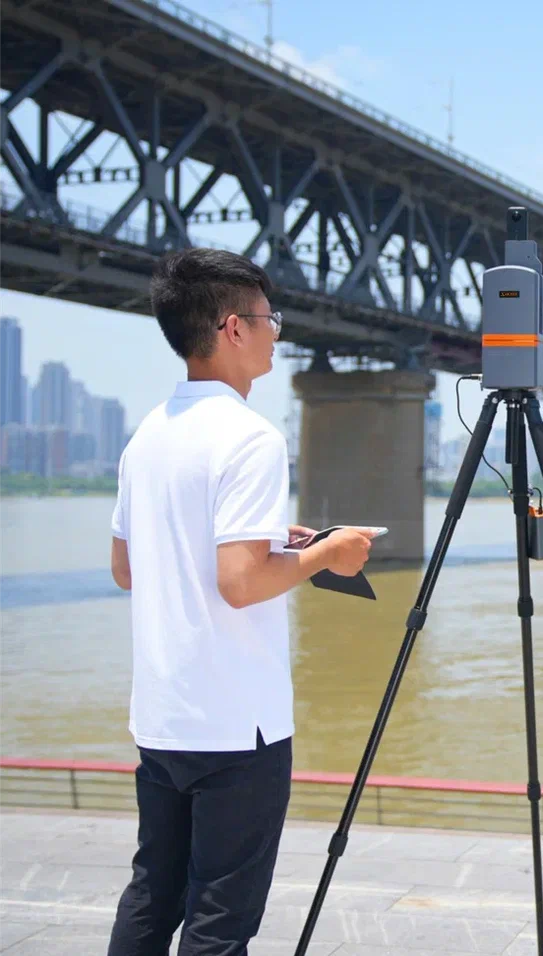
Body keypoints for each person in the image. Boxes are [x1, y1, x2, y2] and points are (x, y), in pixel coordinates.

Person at [107, 248, 376, 955]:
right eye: (268, 318)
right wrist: (328, 554)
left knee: (151, 894)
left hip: (162, 719)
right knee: (219, 924)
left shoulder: (147, 435)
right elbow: (240, 583)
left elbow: (127, 568)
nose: (276, 333)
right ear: (233, 328)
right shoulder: (251, 437)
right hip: (237, 730)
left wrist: (270, 541)